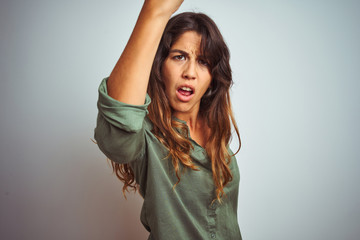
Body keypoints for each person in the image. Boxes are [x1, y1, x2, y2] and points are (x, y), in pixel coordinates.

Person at [94, 0, 242, 239]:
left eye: (203, 62)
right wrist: (154, 11)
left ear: (213, 77)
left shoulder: (216, 135)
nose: (190, 73)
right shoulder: (148, 137)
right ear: (160, 66)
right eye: (179, 57)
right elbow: (119, 128)